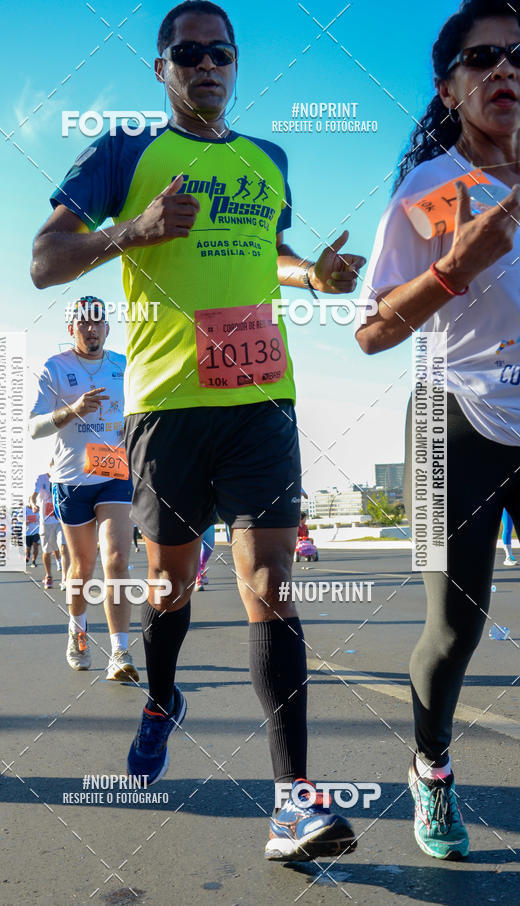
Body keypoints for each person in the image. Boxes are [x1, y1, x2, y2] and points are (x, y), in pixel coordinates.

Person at [31, 1, 365, 860]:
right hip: (167, 408)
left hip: (262, 400)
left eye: (221, 51)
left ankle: (294, 801)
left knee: (269, 585)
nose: (206, 64)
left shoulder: (269, 159)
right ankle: (161, 697)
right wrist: (132, 231)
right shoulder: (124, 154)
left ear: (238, 63)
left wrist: (314, 276)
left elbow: (269, 255)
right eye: (187, 53)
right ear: (161, 70)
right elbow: (44, 260)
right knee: (171, 592)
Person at [356, 0, 520, 860]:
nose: (505, 71)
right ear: (449, 86)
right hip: (454, 420)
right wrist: (459, 265)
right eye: (483, 57)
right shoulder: (430, 191)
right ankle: (431, 768)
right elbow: (373, 329)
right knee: (457, 626)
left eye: (517, 55)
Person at [29, 297, 139, 682]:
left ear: (107, 328)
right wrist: (72, 410)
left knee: (116, 560)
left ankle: (120, 651)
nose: (91, 329)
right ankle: (77, 634)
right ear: (71, 329)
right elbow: (33, 427)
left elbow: (143, 410)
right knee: (82, 568)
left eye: (98, 322)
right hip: (71, 478)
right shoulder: (55, 367)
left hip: (115, 474)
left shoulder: (123, 365)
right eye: (83, 323)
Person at [194, 523, 215, 590]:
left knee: (209, 548)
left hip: (208, 517)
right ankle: (198, 579)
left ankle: (201, 569)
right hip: (192, 518)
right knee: (195, 548)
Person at [26, 503, 40, 567]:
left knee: (35, 546)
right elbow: (19, 519)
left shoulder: (38, 509)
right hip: (27, 532)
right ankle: (28, 555)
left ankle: (34, 561)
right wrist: (26, 521)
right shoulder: (24, 509)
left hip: (36, 531)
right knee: (28, 548)